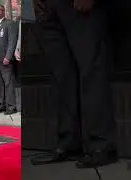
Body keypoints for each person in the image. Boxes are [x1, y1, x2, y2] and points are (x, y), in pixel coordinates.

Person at [31, 0, 117, 168]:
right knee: (62, 76)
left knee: (91, 69)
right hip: (47, 8)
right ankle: (69, 143)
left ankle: (102, 146)